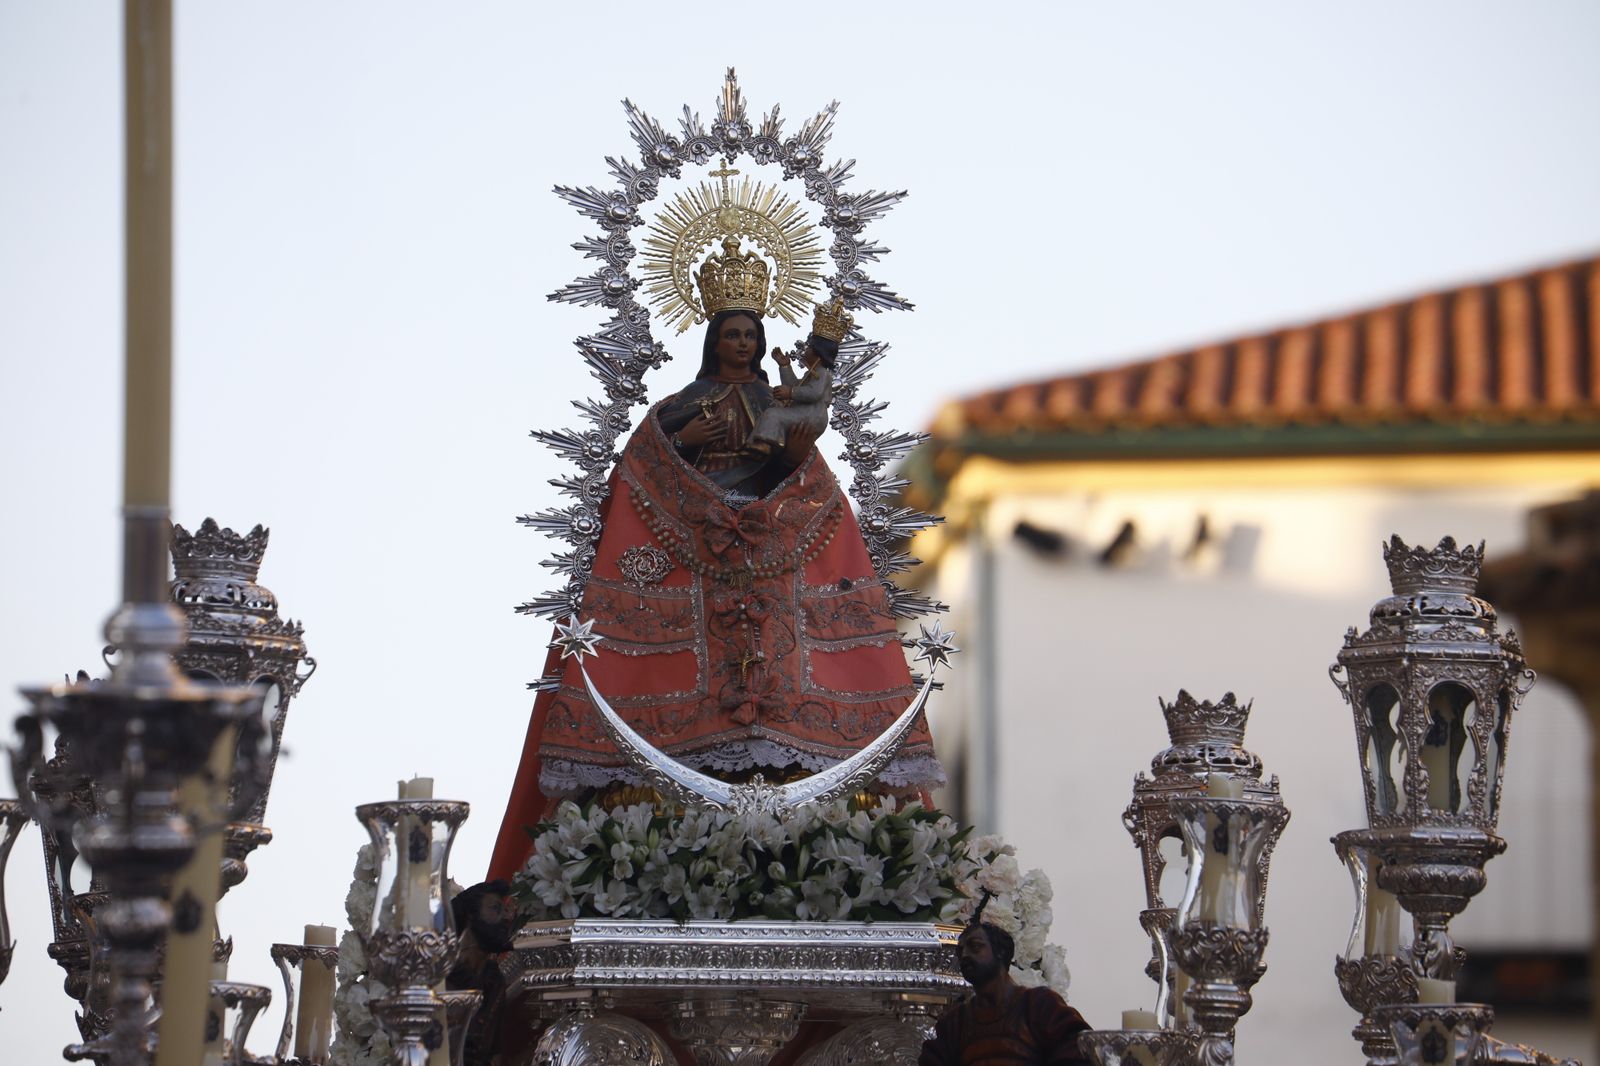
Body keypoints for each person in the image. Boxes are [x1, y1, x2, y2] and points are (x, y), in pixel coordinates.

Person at [487, 240, 942, 880]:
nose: (743, 346)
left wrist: (788, 458)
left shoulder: (774, 401)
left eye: (750, 335)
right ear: (712, 340)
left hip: (771, 553)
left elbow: (802, 473)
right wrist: (682, 441)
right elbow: (642, 461)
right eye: (731, 335)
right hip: (692, 553)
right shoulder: (677, 407)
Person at [920, 921, 1092, 1066]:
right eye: (960, 952)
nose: (964, 955)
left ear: (1000, 951)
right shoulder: (954, 1023)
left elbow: (1080, 1050)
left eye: (975, 947)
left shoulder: (1040, 1005)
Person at [445, 880, 520, 1066]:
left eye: (505, 909)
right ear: (471, 916)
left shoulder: (494, 980)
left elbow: (495, 1053)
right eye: (496, 908)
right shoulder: (441, 971)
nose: (505, 917)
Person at [749, 334, 835, 457]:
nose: (806, 349)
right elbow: (796, 386)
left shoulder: (822, 373)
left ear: (819, 353)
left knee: (773, 414)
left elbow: (814, 393)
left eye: (810, 347)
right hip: (804, 412)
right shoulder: (811, 374)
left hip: (812, 415)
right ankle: (771, 442)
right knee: (775, 413)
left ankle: (764, 445)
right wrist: (785, 366)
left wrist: (790, 392)